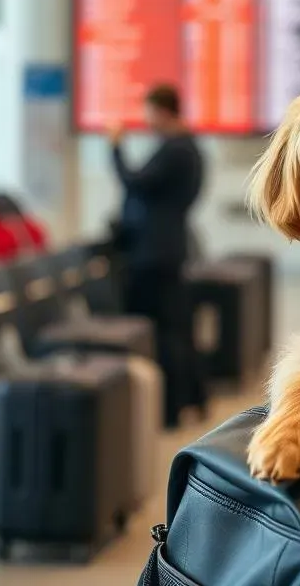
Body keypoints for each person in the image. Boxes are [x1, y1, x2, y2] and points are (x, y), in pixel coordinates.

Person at [109, 83, 207, 427]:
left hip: (154, 255)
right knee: (176, 328)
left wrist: (116, 147)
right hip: (168, 249)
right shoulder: (189, 148)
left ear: (163, 111)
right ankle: (190, 400)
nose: (145, 120)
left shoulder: (175, 149)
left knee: (165, 332)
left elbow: (134, 181)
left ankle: (171, 408)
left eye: (148, 111)